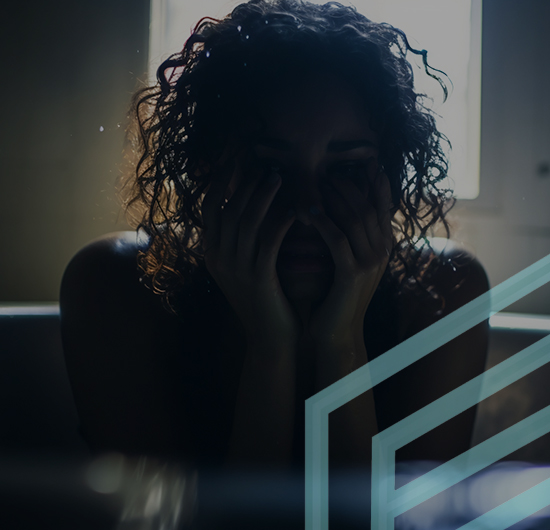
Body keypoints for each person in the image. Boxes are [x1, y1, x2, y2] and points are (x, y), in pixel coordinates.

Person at [60, 0, 489, 470]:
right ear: (207, 169)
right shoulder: (117, 284)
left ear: (387, 178)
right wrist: (270, 349)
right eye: (270, 167)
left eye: (345, 169)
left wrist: (340, 341)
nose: (309, 209)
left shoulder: (440, 295)